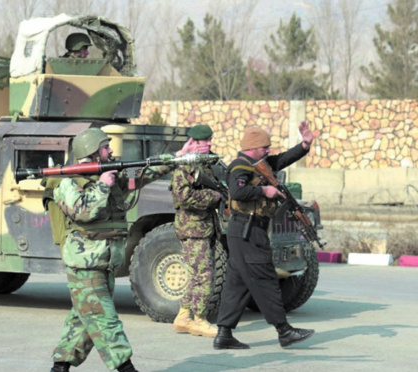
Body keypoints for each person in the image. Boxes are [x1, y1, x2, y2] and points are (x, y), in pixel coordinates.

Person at [50, 128, 200, 372]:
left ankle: (60, 367)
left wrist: (177, 156)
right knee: (104, 320)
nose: (110, 150)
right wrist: (101, 186)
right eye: (105, 147)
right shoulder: (67, 181)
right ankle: (125, 368)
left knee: (84, 319)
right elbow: (83, 212)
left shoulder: (108, 176)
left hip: (103, 262)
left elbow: (139, 178)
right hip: (85, 265)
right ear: (91, 152)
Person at [213, 122, 316, 350]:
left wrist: (305, 144)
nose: (268, 150)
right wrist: (264, 190)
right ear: (253, 147)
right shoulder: (240, 167)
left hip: (245, 231)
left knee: (237, 283)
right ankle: (284, 331)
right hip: (248, 231)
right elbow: (237, 191)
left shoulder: (261, 164)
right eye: (265, 147)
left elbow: (284, 158)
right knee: (266, 279)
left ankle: (224, 333)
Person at [170, 124, 223, 338]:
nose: (209, 143)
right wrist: (214, 197)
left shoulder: (203, 164)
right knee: (204, 274)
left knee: (196, 275)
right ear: (193, 142)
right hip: (192, 228)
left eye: (210, 139)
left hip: (203, 226)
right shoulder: (184, 166)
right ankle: (199, 319)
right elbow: (183, 197)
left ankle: (183, 317)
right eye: (205, 141)